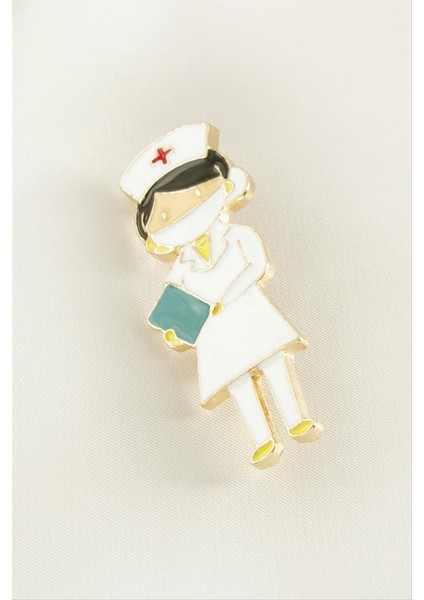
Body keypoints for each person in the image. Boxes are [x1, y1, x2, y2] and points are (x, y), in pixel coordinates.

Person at [121, 123, 322, 468]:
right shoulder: (181, 265)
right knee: (238, 381)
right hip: (215, 331)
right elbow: (176, 300)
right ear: (155, 238)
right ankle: (263, 439)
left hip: (249, 310)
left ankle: (296, 419)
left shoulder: (240, 235)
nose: (185, 216)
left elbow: (257, 266)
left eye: (197, 196)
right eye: (166, 216)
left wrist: (228, 294)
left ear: (226, 187)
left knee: (273, 361)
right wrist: (176, 330)